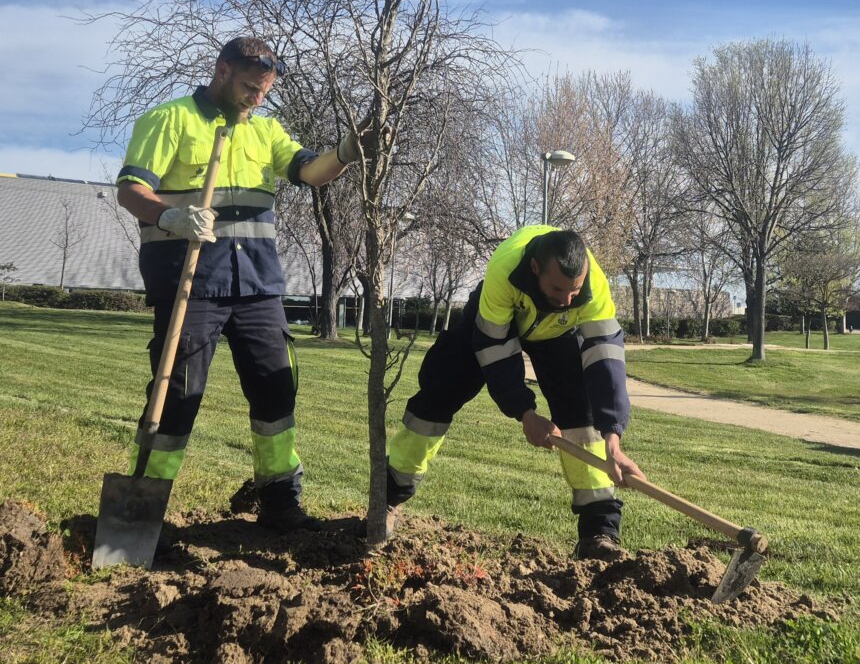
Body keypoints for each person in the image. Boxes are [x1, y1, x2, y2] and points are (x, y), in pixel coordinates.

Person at [116, 36, 364, 532]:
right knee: (176, 396)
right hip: (191, 284)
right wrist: (170, 217)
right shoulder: (170, 119)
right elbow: (130, 191)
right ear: (223, 70)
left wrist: (345, 152)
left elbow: (310, 172)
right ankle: (142, 518)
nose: (258, 96)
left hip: (257, 286)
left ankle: (280, 504)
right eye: (251, 86)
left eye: (265, 90)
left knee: (276, 392)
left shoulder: (266, 131)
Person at [386, 225, 644, 558]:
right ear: (535, 268)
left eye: (574, 291)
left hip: (556, 334)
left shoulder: (593, 285)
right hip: (491, 325)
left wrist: (613, 435)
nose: (567, 299)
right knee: (439, 392)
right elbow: (495, 349)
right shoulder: (504, 270)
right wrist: (525, 412)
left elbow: (605, 357)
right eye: (557, 288)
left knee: (582, 414)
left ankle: (599, 533)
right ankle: (389, 496)